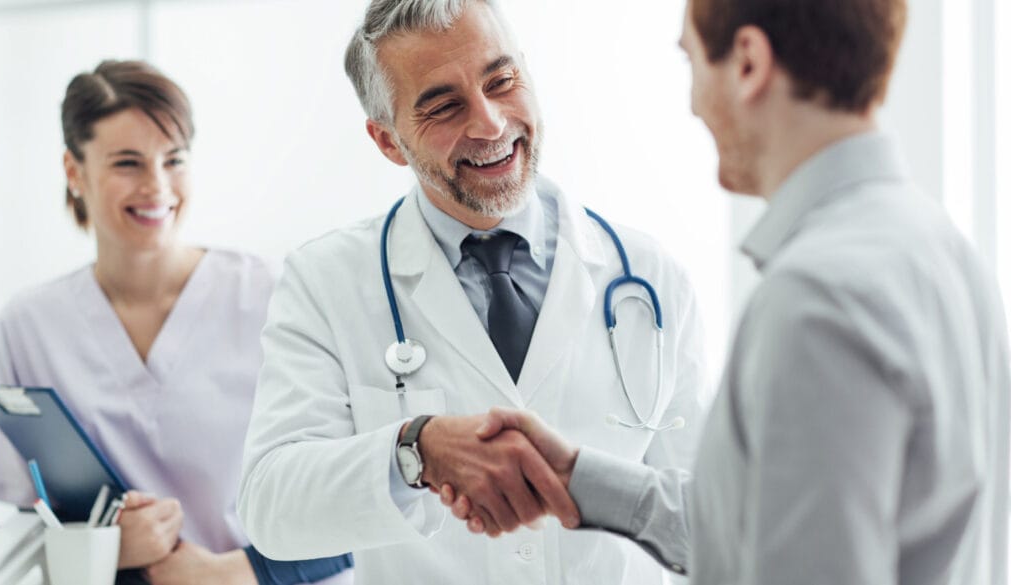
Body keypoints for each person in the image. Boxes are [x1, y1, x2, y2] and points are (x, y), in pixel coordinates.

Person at [442, 0, 1011, 584]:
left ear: (747, 63)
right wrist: (575, 479)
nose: (692, 105)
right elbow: (767, 525)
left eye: (692, 62)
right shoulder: (939, 246)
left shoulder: (817, 299)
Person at [236, 0, 705, 583]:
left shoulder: (650, 275)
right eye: (443, 106)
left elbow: (704, 518)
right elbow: (270, 508)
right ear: (387, 140)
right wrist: (415, 449)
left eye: (501, 81)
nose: (489, 123)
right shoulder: (325, 281)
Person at [0, 60, 353, 585]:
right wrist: (102, 545)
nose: (156, 186)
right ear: (74, 171)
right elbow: (9, 523)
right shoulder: (28, 327)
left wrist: (239, 572)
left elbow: (366, 493)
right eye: (127, 163)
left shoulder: (273, 295)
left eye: (174, 160)